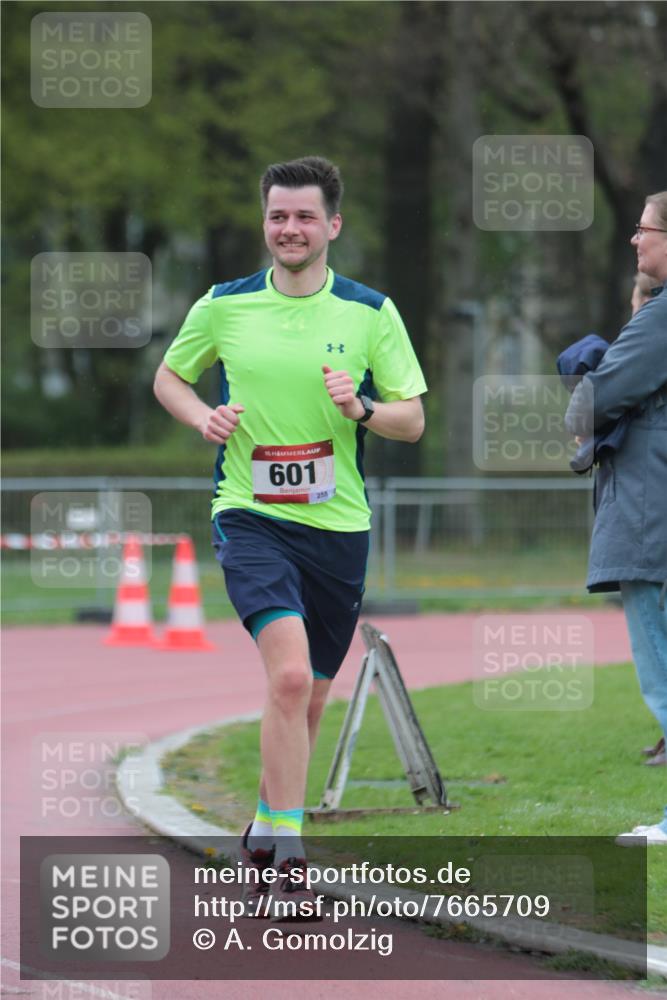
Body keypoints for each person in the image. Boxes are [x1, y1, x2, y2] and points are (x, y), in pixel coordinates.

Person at [153, 156, 427, 908]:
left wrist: (363, 409)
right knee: (287, 677)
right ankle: (290, 852)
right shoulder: (223, 305)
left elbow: (412, 418)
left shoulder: (371, 312)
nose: (290, 228)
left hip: (338, 526)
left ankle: (265, 825)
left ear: (332, 226)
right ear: (264, 223)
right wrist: (200, 417)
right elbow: (169, 378)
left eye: (305, 216)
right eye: (278, 216)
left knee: (306, 701)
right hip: (250, 515)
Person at [567, 192, 667, 844]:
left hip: (653, 523)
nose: (634, 240)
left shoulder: (660, 318)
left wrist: (590, 368)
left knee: (661, 673)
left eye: (644, 229)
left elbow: (586, 409)